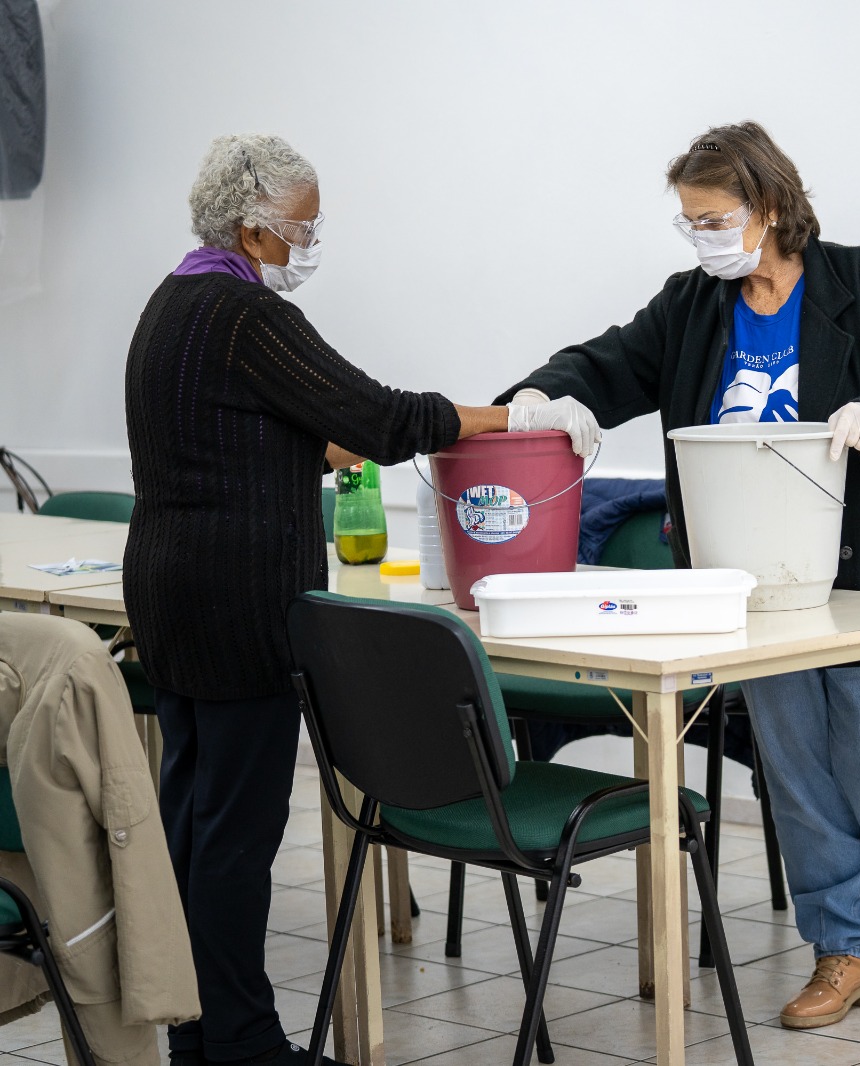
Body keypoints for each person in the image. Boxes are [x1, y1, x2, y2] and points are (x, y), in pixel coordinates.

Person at [123, 133, 582, 1066]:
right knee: (235, 838)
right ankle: (245, 1045)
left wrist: (321, 445)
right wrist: (518, 416)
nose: (311, 241)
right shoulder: (248, 319)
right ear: (254, 230)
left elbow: (249, 437)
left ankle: (195, 1036)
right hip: (239, 607)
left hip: (171, 596)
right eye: (302, 226)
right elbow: (380, 416)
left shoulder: (171, 303)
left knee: (190, 822)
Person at [497, 121, 860, 1031]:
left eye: (714, 219)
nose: (702, 237)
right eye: (691, 223)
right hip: (748, 583)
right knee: (796, 770)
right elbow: (609, 361)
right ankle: (844, 948)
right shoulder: (693, 305)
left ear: (772, 207)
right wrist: (547, 395)